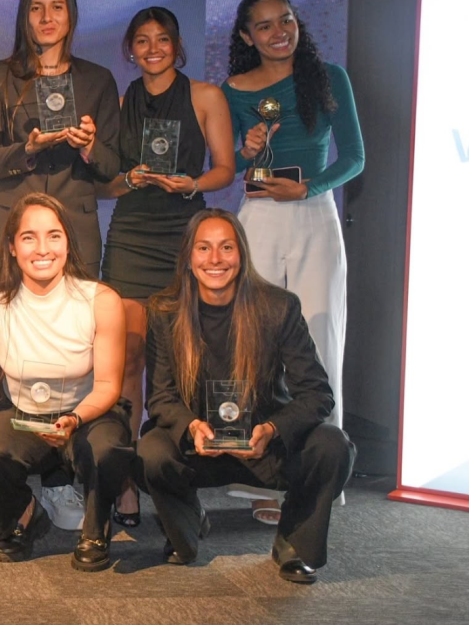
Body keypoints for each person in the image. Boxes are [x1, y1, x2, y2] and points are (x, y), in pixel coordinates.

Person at [138, 209, 355, 584]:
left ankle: (294, 543)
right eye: (203, 248)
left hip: (265, 446)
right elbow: (160, 398)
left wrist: (273, 429)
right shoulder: (165, 311)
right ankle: (186, 524)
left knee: (332, 445)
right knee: (150, 452)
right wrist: (191, 427)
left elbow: (316, 393)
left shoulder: (278, 307)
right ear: (189, 258)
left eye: (226, 247)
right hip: (200, 446)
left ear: (242, 254)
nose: (215, 259)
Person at [222, 0, 364, 521]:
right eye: (263, 25)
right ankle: (268, 478)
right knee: (256, 347)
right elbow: (228, 163)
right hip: (256, 218)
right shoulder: (232, 89)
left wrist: (307, 189)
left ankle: (321, 478)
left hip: (314, 215)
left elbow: (354, 157)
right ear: (245, 37)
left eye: (285, 20)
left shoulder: (328, 77)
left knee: (321, 342)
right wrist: (247, 150)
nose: (278, 31)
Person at [98, 7, 236, 526]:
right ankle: (128, 483)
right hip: (132, 238)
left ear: (177, 45)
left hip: (184, 237)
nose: (152, 48)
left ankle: (181, 482)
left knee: (180, 367)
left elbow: (225, 168)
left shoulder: (205, 96)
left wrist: (192, 184)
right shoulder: (119, 102)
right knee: (129, 360)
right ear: (130, 50)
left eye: (162, 39)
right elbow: (102, 183)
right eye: (142, 40)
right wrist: (128, 180)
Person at [0, 193, 131, 571]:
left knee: (107, 447)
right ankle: (22, 513)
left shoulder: (100, 300)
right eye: (28, 237)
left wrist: (75, 420)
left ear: (68, 243)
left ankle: (95, 528)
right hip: (24, 414)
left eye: (54, 236)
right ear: (11, 246)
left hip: (88, 412)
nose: (42, 248)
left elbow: (107, 386)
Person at [0, 0, 122, 276]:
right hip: (12, 228)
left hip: (76, 231)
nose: (46, 17)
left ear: (71, 15)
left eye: (57, 7)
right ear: (25, 17)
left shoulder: (97, 80)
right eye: (36, 8)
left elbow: (110, 166)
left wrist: (88, 145)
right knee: (6, 321)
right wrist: (27, 149)